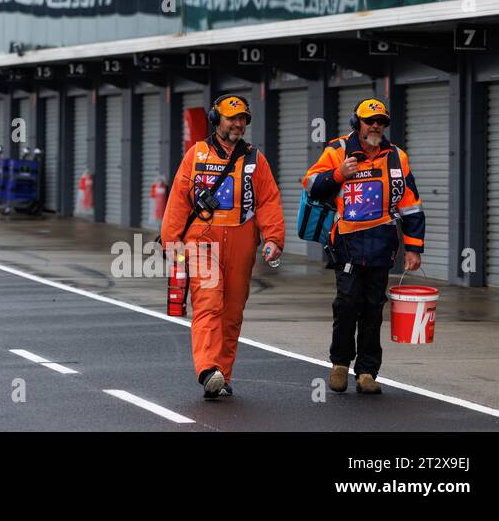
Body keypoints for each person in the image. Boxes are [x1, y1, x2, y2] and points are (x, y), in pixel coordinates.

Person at [161, 93, 284, 400]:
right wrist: (171, 241)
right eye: (232, 118)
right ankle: (206, 368)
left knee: (232, 311)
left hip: (242, 240)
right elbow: (178, 199)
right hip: (202, 240)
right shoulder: (196, 154)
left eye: (242, 119)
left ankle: (221, 376)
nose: (238, 124)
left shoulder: (256, 159)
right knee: (208, 302)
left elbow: (268, 200)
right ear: (217, 120)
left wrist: (273, 238)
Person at [304, 98, 425, 396]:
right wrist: (338, 174)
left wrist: (414, 248)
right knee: (346, 303)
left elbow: (411, 205)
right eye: (370, 121)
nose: (375, 126)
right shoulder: (336, 150)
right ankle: (340, 364)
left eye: (380, 121)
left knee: (373, 307)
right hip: (346, 242)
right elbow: (310, 185)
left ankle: (368, 371)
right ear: (356, 122)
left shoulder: (397, 157)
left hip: (382, 244)